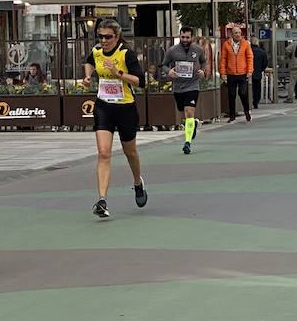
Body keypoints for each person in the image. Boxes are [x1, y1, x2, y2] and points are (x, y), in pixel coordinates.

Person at [83, 18, 147, 216]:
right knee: (103, 153)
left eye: (108, 37)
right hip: (104, 107)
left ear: (117, 37)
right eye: (100, 36)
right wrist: (87, 76)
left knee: (130, 152)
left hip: (125, 108)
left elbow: (140, 81)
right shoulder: (97, 52)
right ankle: (102, 200)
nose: (103, 40)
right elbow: (89, 62)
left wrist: (117, 73)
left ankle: (138, 181)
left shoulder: (126, 54)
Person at [162, 26, 208, 154]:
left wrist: (202, 71)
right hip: (178, 86)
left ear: (192, 37)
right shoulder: (172, 50)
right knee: (183, 112)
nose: (185, 39)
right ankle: (192, 124)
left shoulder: (198, 50)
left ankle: (187, 143)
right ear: (180, 36)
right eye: (183, 37)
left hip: (193, 85)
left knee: (189, 112)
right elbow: (164, 64)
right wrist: (169, 71)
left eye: (187, 37)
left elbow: (204, 62)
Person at [220, 24, 253, 122]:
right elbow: (223, 59)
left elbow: (250, 58)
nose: (238, 35)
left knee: (243, 93)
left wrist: (249, 71)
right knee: (231, 95)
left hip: (243, 73)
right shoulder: (226, 44)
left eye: (239, 33)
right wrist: (223, 73)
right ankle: (232, 115)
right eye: (235, 33)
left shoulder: (246, 44)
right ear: (231, 34)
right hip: (231, 73)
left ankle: (246, 111)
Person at [251, 40, 269, 109]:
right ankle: (256, 101)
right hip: (258, 73)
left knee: (249, 88)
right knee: (257, 88)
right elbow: (265, 63)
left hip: (248, 73)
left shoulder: (249, 51)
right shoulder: (262, 52)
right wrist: (261, 69)